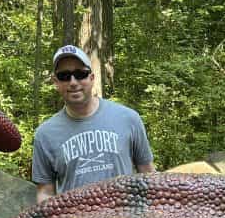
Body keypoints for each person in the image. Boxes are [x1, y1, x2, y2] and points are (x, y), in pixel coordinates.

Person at [32, 45, 154, 202]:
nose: (73, 82)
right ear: (56, 82)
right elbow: (45, 192)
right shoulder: (45, 134)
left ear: (92, 77)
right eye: (64, 76)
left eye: (80, 74)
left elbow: (148, 174)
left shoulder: (128, 118)